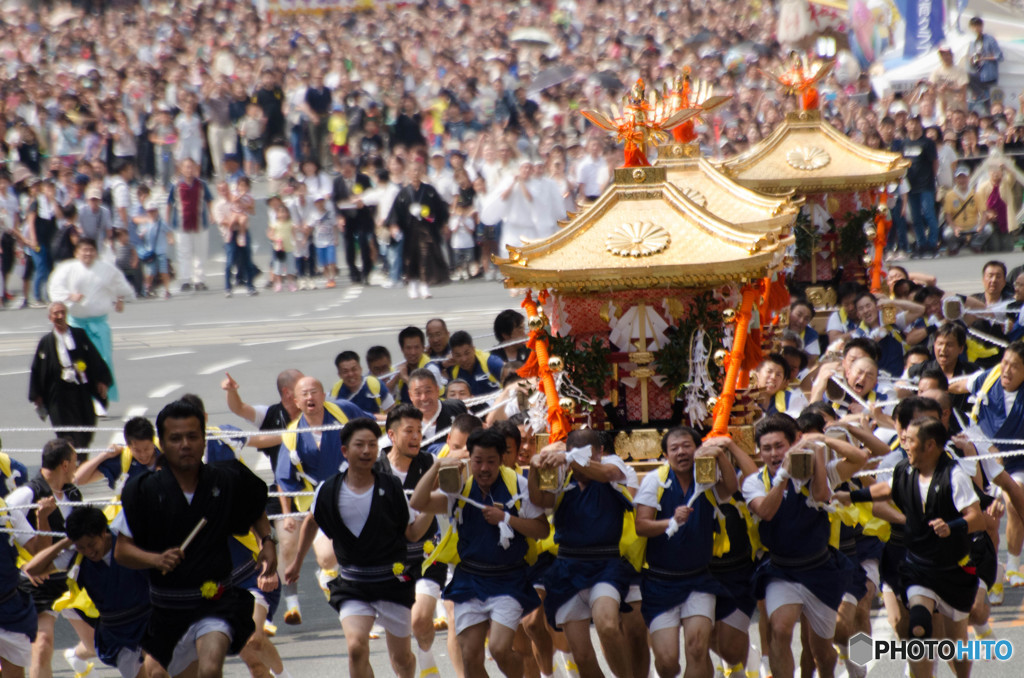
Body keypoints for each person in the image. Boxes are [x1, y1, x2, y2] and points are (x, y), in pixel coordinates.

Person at [112, 399, 277, 678]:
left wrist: (267, 541)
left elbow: (254, 509)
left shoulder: (225, 480)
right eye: (175, 438)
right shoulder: (144, 492)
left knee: (211, 668)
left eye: (192, 436)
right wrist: (156, 558)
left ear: (204, 439)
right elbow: (122, 551)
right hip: (167, 606)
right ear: (161, 444)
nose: (185, 444)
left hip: (215, 600)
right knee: (154, 674)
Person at [842, 417, 983, 678]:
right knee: (917, 626)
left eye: (911, 441)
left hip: (953, 568)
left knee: (955, 642)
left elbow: (976, 516)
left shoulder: (955, 475)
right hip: (917, 565)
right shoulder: (904, 470)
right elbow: (885, 490)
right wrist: (849, 496)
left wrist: (951, 525)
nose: (905, 446)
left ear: (930, 445)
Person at [284, 418, 419, 678]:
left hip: (392, 583)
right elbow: (312, 520)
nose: (367, 451)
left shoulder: (391, 487)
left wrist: (429, 510)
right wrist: (297, 562)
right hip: (353, 584)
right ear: (345, 451)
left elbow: (410, 531)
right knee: (356, 647)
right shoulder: (329, 489)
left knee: (401, 659)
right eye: (359, 445)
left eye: (372, 444)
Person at [410, 429, 550, 678]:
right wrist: (436, 466)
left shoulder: (518, 485)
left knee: (498, 648)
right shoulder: (459, 486)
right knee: (471, 656)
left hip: (508, 579)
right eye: (478, 461)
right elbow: (418, 503)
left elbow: (541, 529)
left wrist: (507, 518)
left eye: (491, 461)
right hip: (470, 580)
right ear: (469, 459)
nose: (484, 468)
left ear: (502, 459)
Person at [742, 415, 865, 678]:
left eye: (779, 446)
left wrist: (821, 442)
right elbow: (766, 512)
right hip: (782, 570)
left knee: (823, 649)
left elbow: (859, 460)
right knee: (781, 628)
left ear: (794, 444)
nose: (774, 454)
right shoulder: (754, 482)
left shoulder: (817, 471)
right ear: (759, 452)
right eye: (767, 448)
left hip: (823, 567)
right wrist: (782, 477)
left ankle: (853, 664)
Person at [527, 429, 642, 678]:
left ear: (600, 453)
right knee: (581, 655)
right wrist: (534, 469)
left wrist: (571, 458)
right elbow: (541, 502)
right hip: (567, 567)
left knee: (608, 624)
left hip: (606, 566)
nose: (581, 464)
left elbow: (607, 473)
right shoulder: (562, 475)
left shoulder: (612, 466)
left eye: (589, 457)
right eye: (573, 456)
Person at [633, 428, 740, 678]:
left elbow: (731, 489)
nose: (681, 452)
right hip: (660, 583)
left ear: (696, 448)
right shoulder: (655, 480)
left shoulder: (705, 475)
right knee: (668, 662)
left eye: (686, 446)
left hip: (699, 580)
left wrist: (719, 455)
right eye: (674, 448)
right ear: (666, 454)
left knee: (697, 648)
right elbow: (641, 526)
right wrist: (671, 521)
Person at [23, 507, 167, 678]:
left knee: (158, 673)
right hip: (117, 633)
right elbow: (32, 569)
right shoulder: (75, 556)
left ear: (103, 532)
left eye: (91, 544)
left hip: (148, 623)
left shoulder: (128, 542)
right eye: (81, 546)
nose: (88, 551)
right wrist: (66, 542)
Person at [275, 377, 368, 624]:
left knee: (365, 552)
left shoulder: (344, 412)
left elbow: (370, 427)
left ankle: (367, 606)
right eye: (303, 394)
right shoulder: (292, 435)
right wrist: (289, 513)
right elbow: (284, 479)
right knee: (327, 558)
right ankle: (330, 582)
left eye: (314, 391)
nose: (309, 398)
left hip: (357, 490)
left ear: (323, 394)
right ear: (295, 401)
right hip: (319, 503)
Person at [6, 439, 96, 678]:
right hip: (41, 585)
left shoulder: (72, 492)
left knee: (98, 643)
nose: (77, 467)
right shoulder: (25, 496)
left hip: (74, 580)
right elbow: (6, 535)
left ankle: (77, 657)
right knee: (43, 646)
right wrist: (22, 566)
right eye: (75, 462)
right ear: (65, 464)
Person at [377, 405, 449, 678]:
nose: (416, 436)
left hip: (428, 556)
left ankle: (427, 659)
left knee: (420, 620)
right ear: (392, 435)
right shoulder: (375, 470)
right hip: (390, 562)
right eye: (409, 431)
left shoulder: (430, 464)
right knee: (399, 654)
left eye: (419, 430)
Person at [47, 238, 133, 403]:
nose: (87, 253)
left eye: (90, 250)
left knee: (103, 361)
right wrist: (69, 296)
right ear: (77, 253)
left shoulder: (106, 269)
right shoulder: (67, 269)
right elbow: (55, 288)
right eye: (84, 250)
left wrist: (119, 299)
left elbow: (119, 285)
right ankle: (85, 397)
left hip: (99, 324)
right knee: (80, 363)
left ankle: (101, 398)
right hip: (77, 324)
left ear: (95, 252)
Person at [29, 301, 112, 452]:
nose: (60, 316)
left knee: (85, 427)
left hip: (80, 390)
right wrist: (37, 395)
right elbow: (37, 369)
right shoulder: (46, 342)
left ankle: (80, 456)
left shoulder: (79, 335)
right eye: (56, 313)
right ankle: (69, 461)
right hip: (58, 395)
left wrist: (102, 381)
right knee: (64, 433)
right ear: (50, 317)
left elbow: (94, 358)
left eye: (62, 312)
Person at [387, 159, 450, 299]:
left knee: (425, 256)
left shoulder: (429, 191)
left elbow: (440, 209)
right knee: (410, 258)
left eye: (418, 170)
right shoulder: (403, 193)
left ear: (422, 172)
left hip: (426, 229)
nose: (415, 173)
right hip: (409, 230)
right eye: (412, 171)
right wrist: (394, 225)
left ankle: (424, 285)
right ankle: (412, 284)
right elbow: (395, 212)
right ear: (407, 173)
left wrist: (443, 223)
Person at [167, 158, 213, 293]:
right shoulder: (176, 186)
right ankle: (185, 280)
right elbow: (169, 204)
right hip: (181, 224)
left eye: (191, 167)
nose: (189, 170)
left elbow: (209, 200)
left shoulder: (202, 184)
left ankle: (199, 280)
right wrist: (167, 222)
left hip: (200, 223)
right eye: (186, 167)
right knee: (183, 253)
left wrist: (211, 214)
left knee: (200, 253)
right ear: (181, 169)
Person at [332, 157, 375, 285]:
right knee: (349, 245)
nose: (346, 173)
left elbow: (370, 195)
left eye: (349, 171)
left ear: (354, 169)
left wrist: (364, 202)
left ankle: (366, 272)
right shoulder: (337, 181)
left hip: (362, 216)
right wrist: (339, 216)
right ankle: (353, 271)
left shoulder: (363, 179)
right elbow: (335, 200)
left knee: (363, 243)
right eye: (344, 171)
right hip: (347, 216)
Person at [902, 116, 940, 257]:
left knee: (929, 214)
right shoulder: (903, 144)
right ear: (906, 125)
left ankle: (932, 243)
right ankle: (921, 243)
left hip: (926, 186)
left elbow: (935, 162)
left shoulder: (928, 143)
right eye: (910, 123)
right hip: (910, 187)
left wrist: (932, 179)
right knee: (916, 217)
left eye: (916, 123)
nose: (913, 126)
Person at [406, 369, 468, 442]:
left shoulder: (456, 408)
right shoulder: (405, 422)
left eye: (428, 391)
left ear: (437, 390)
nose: (424, 398)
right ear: (410, 395)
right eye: (418, 393)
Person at [330, 351, 395, 416]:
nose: (350, 374)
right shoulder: (334, 394)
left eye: (354, 369)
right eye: (345, 371)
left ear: (360, 369)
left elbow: (391, 412)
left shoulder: (375, 385)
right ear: (339, 374)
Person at [942, 167, 989, 254]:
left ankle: (975, 244)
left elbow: (983, 212)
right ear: (955, 179)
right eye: (959, 178)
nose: (962, 180)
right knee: (947, 233)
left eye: (964, 177)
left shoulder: (975, 194)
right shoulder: (950, 195)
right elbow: (947, 215)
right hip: (958, 226)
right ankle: (954, 247)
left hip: (973, 226)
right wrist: (954, 227)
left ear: (968, 178)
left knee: (988, 229)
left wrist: (981, 225)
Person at [447, 331, 504, 397]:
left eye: (467, 353)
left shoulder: (491, 362)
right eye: (458, 355)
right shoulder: (453, 370)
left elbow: (517, 372)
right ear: (452, 355)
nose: (464, 359)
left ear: (473, 349)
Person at [967, 17, 1003, 113]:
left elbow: (999, 56)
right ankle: (982, 96)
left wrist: (984, 58)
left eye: (978, 25)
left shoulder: (989, 39)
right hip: (978, 75)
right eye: (974, 26)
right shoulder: (972, 43)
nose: (976, 28)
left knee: (991, 103)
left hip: (989, 75)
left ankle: (984, 98)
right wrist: (972, 60)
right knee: (967, 76)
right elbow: (972, 63)